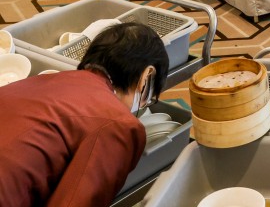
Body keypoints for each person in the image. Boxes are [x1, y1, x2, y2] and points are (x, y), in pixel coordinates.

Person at [0, 22, 169, 207]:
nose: (142, 105)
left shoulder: (42, 80)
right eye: (148, 99)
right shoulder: (118, 123)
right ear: (146, 76)